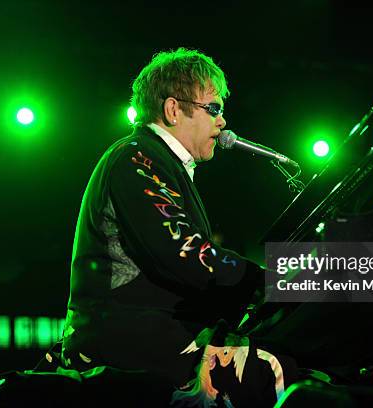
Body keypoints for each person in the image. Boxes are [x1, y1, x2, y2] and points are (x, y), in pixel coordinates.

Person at [59, 48, 284, 404]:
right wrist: (266, 279)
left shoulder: (159, 163)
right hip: (122, 344)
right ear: (173, 110)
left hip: (152, 337)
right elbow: (184, 252)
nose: (223, 121)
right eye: (214, 109)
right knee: (273, 373)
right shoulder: (135, 158)